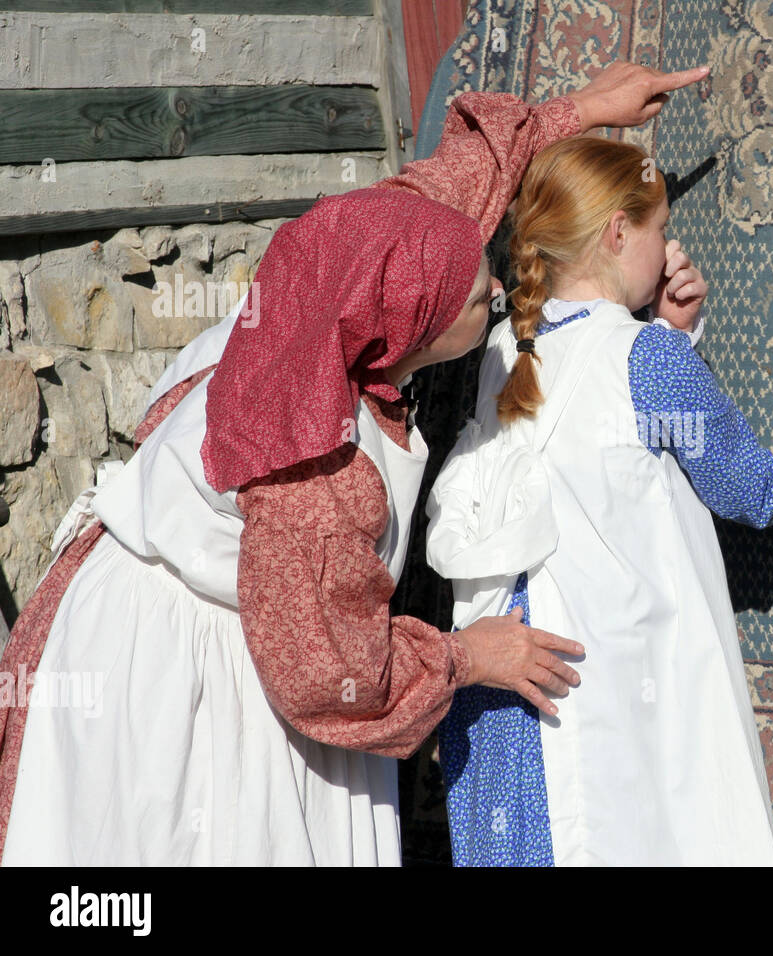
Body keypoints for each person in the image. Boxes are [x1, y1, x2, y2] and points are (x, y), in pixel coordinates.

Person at [0, 62, 710, 865]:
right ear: (412, 336)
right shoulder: (318, 470)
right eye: (480, 300)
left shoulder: (328, 273)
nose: (500, 292)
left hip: (213, 609)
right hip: (174, 670)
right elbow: (324, 673)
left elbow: (431, 208)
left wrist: (582, 110)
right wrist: (470, 654)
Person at [425, 135, 773, 865]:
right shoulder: (652, 362)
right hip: (587, 690)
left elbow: (596, 434)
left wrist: (664, 329)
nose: (670, 247)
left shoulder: (501, 352)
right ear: (616, 233)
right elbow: (753, 490)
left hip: (496, 699)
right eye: (661, 229)